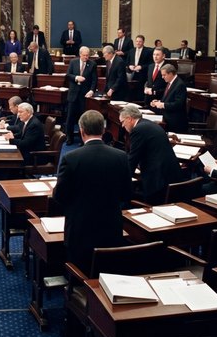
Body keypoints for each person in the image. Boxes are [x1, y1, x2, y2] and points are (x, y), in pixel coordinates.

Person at [54, 110, 132, 275]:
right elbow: (126, 194)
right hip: (111, 227)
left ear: (81, 131)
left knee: (80, 273)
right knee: (108, 272)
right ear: (103, 130)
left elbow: (59, 196)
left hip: (80, 229)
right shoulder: (121, 156)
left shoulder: (71, 158)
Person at [121, 105, 184, 204]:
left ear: (129, 119)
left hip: (158, 180)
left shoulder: (138, 130)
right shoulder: (148, 123)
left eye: (122, 122)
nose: (122, 125)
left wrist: (122, 178)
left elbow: (133, 158)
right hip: (171, 174)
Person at [64, 46, 97, 145]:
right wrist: (76, 78)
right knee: (70, 117)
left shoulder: (92, 64)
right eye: (84, 55)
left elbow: (94, 80)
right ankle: (69, 137)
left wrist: (92, 90)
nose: (86, 57)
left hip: (85, 95)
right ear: (80, 54)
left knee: (83, 118)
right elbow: (68, 75)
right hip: (73, 94)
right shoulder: (73, 62)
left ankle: (83, 139)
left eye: (87, 55)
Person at [150, 64, 188, 133]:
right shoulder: (170, 83)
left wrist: (163, 105)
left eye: (164, 75)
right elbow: (168, 99)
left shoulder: (180, 85)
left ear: (170, 74)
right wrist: (158, 102)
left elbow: (178, 104)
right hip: (167, 117)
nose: (162, 77)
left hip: (175, 122)